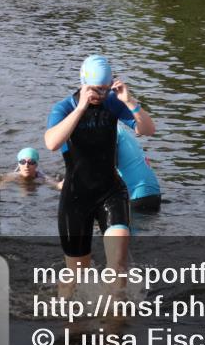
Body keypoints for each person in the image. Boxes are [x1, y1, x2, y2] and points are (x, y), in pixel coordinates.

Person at [45, 55, 155, 295]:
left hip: (111, 192)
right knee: (74, 278)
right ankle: (73, 327)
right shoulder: (64, 108)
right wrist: (82, 108)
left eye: (105, 89)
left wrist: (130, 101)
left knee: (118, 267)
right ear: (83, 83)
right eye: (96, 89)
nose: (101, 95)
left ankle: (115, 327)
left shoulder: (113, 103)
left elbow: (148, 129)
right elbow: (51, 143)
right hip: (76, 198)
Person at [116, 123, 161, 212]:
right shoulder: (118, 128)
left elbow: (108, 166)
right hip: (153, 194)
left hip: (135, 197)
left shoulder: (106, 130)